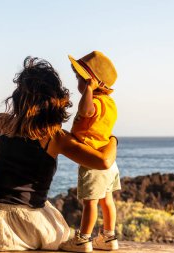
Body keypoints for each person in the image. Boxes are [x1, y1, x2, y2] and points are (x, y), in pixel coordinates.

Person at [0, 56, 117, 251]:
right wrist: (113, 140)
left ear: (19, 97)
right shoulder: (56, 137)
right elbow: (104, 162)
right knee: (64, 235)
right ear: (56, 100)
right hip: (28, 226)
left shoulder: (3, 122)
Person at [60, 51, 121, 252]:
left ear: (91, 82)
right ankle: (108, 237)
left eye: (80, 79)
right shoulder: (110, 103)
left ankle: (83, 240)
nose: (77, 83)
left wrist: (88, 90)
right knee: (107, 200)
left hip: (92, 159)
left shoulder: (94, 101)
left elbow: (86, 112)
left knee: (90, 203)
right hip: (108, 160)